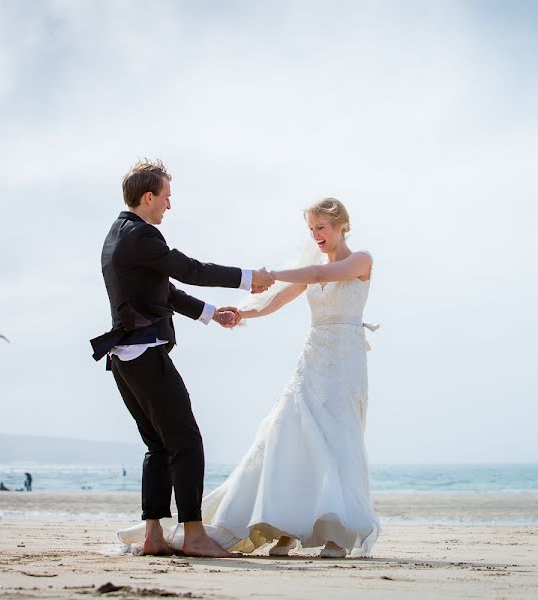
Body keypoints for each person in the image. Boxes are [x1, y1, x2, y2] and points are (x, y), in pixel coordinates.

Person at [118, 197, 379, 558]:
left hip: (345, 361)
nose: (316, 235)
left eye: (322, 227)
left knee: (338, 435)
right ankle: (286, 525)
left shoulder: (360, 260)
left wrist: (269, 274)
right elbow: (276, 302)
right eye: (312, 228)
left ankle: (336, 532)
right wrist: (237, 314)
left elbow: (318, 276)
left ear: (341, 226)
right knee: (290, 433)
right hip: (314, 358)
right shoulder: (309, 267)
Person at [91, 159, 274, 558]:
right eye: (166, 198)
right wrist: (248, 277)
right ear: (148, 196)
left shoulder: (118, 234)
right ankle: (193, 534)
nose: (169, 207)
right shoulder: (143, 237)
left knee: (158, 445)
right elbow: (189, 269)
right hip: (143, 352)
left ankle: (154, 535)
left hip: (124, 358)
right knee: (186, 441)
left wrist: (211, 313)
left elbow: (164, 290)